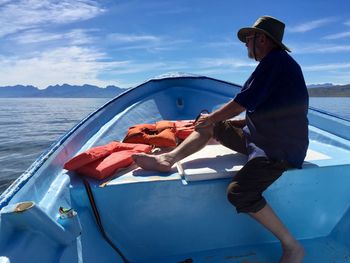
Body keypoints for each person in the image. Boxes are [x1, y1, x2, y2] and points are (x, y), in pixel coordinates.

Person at [132, 15, 308, 263]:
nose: (246, 44)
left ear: (263, 39)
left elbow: (240, 104)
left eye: (248, 38)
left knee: (239, 193)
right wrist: (216, 123)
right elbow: (265, 110)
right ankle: (168, 159)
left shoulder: (275, 63)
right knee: (211, 122)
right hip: (260, 138)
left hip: (279, 150)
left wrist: (212, 119)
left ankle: (292, 247)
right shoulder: (277, 64)